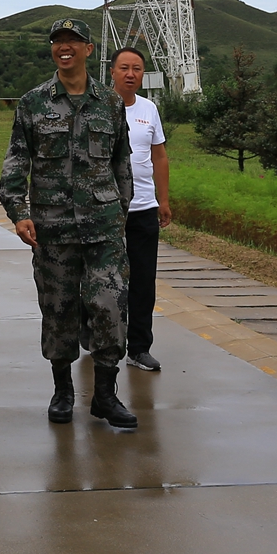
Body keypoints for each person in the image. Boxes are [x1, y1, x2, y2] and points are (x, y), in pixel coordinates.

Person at [0, 18, 138, 430]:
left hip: (104, 228)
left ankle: (107, 395)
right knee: (58, 309)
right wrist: (18, 212)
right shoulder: (33, 103)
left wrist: (120, 214)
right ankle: (63, 390)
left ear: (88, 50)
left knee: (110, 308)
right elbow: (16, 163)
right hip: (52, 229)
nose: (65, 47)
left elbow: (121, 163)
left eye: (73, 42)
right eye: (58, 41)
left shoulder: (111, 103)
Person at [109, 46, 171, 372]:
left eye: (136, 69)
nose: (130, 74)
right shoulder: (98, 107)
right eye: (124, 68)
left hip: (144, 208)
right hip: (106, 210)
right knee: (105, 280)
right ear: (112, 72)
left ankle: (139, 348)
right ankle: (102, 341)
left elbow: (159, 157)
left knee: (143, 281)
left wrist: (164, 200)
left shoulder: (149, 109)